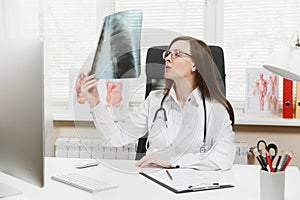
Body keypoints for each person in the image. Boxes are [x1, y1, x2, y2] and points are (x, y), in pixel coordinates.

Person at [81, 36, 236, 170]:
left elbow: (224, 157)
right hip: (153, 182)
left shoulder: (215, 108)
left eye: (177, 54)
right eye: (167, 54)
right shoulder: (155, 101)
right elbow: (116, 137)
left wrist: (173, 161)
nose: (168, 58)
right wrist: (95, 102)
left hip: (194, 188)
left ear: (195, 64)